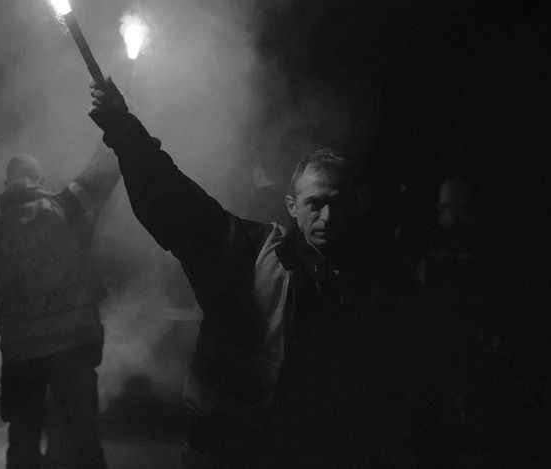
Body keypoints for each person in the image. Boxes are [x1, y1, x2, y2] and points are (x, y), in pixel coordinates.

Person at [88, 79, 396, 467]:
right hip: (225, 452)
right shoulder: (251, 252)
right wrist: (125, 131)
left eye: (339, 204)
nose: (328, 217)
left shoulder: (373, 282)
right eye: (315, 204)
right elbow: (175, 201)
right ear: (292, 206)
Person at [0, 147, 121, 469]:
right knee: (82, 438)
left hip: (22, 356)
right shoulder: (66, 208)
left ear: (7, 185)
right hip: (73, 348)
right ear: (40, 180)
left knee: (23, 440)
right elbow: (101, 173)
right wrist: (120, 132)